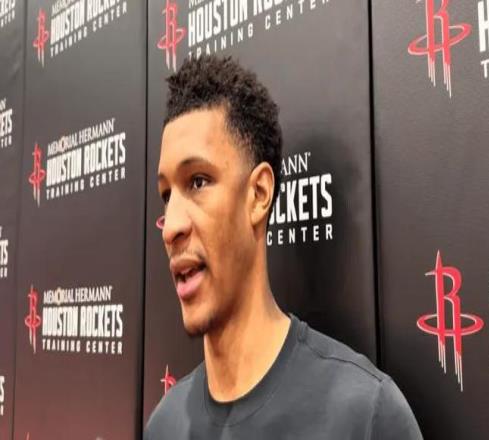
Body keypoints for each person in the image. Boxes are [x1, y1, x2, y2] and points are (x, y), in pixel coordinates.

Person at [145, 55, 422, 439]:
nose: (171, 226)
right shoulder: (164, 425)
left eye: (198, 181)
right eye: (166, 194)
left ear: (258, 194)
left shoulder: (366, 415)